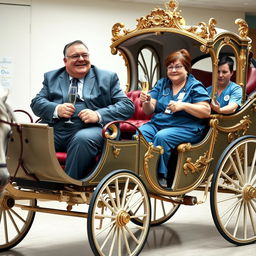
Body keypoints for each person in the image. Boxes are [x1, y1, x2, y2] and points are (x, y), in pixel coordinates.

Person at [31, 40, 134, 180]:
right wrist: (57, 109)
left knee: (82, 139)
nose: (81, 59)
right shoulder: (52, 77)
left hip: (94, 128)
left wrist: (98, 115)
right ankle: (36, 180)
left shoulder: (107, 77)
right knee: (31, 135)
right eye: (75, 56)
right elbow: (36, 103)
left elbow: (127, 106)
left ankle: (69, 184)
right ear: (65, 60)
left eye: (84, 55)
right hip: (59, 128)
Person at [139, 49, 211, 187]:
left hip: (186, 127)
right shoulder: (162, 83)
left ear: (186, 69)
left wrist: (183, 106)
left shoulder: (194, 85)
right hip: (159, 123)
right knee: (141, 132)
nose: (173, 70)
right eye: (170, 67)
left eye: (178, 67)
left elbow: (206, 111)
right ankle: (143, 170)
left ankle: (160, 176)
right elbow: (149, 110)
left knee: (162, 137)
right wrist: (147, 101)